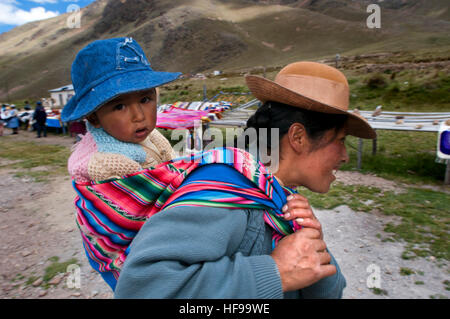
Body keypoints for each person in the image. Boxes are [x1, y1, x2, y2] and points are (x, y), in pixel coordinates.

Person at [112, 61, 377, 298]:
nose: (344, 156)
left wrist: (313, 242)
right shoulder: (227, 192)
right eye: (340, 141)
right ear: (298, 137)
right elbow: (139, 289)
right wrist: (274, 273)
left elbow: (328, 290)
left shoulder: (278, 196)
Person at [61, 37, 182, 183]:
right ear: (94, 118)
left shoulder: (148, 133)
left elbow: (172, 159)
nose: (139, 116)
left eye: (144, 100)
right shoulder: (108, 164)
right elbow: (152, 196)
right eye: (119, 107)